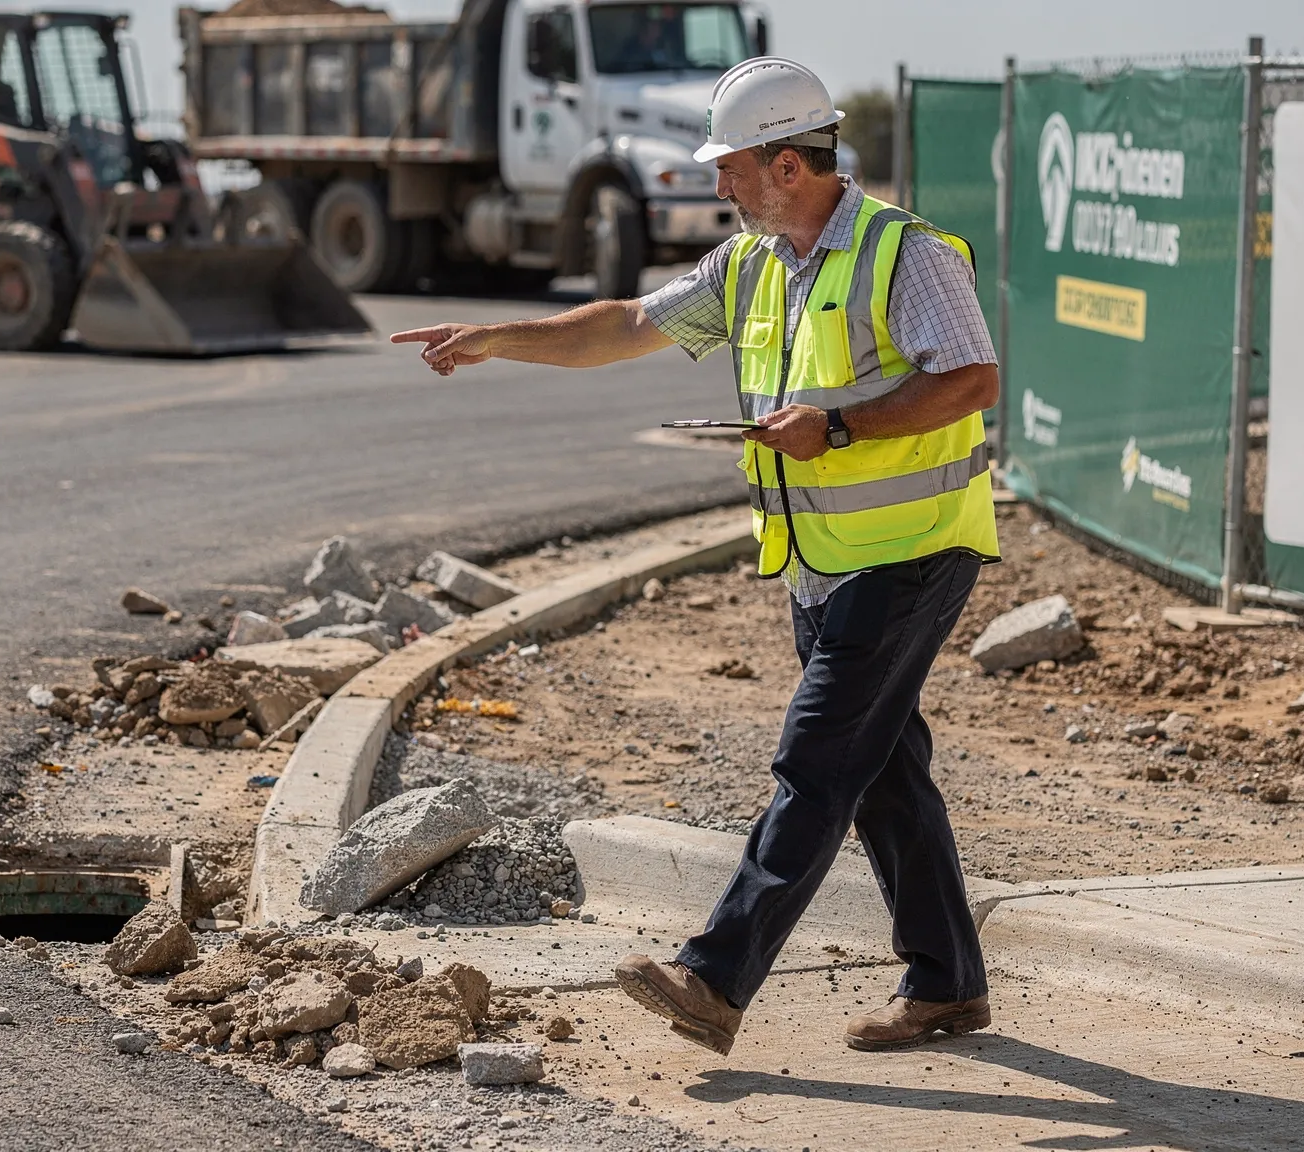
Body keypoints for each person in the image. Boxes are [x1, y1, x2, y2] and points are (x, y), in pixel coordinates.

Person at [390, 56, 1001, 1057]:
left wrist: (839, 431)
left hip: (912, 550)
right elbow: (628, 324)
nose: (717, 183)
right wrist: (496, 336)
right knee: (880, 770)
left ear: (789, 165)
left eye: (731, 167)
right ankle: (945, 985)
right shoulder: (751, 263)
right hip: (820, 558)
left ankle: (713, 979)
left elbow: (971, 378)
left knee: (814, 763)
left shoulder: (906, 253)